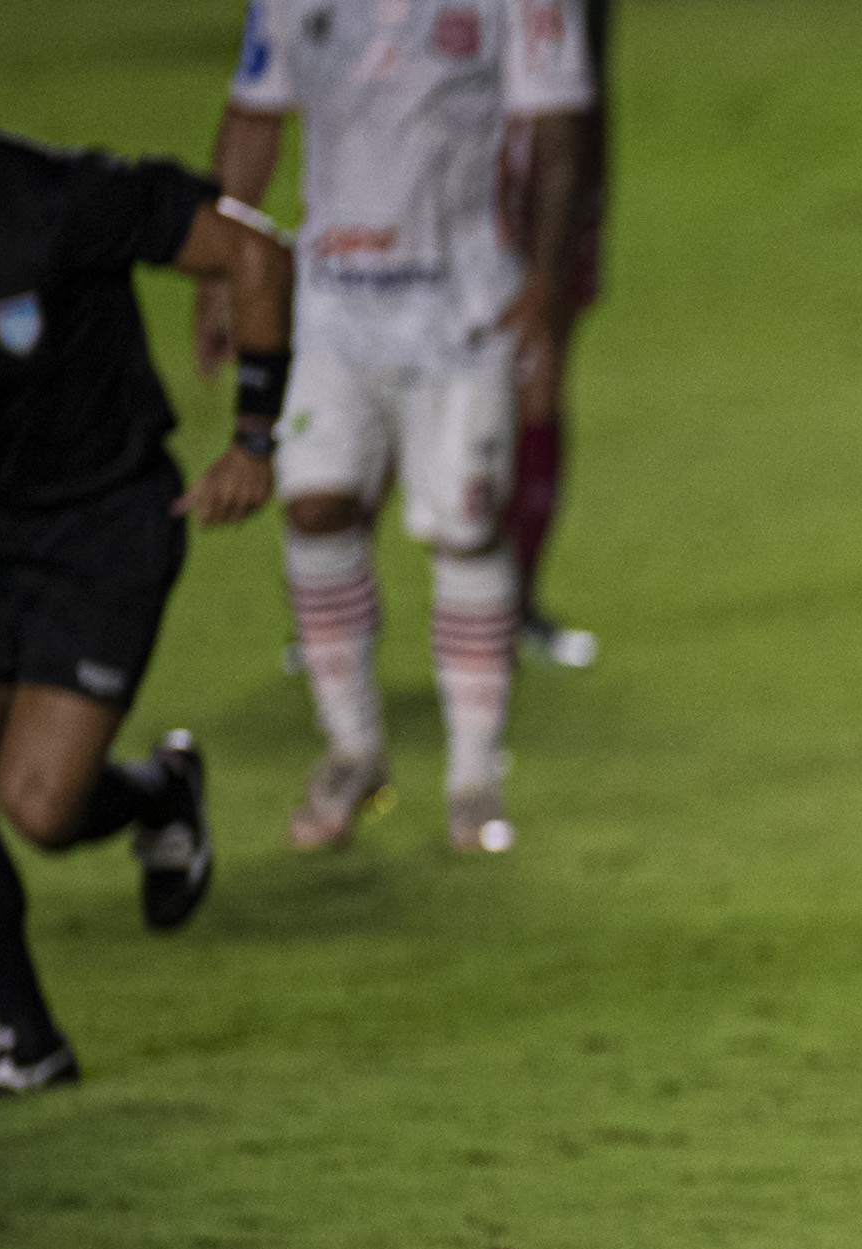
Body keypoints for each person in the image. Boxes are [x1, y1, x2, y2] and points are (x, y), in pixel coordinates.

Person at [0, 0, 293, 1098]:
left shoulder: (57, 202)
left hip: (111, 521)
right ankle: (29, 1039)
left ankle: (161, 796)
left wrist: (255, 437)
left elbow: (257, 254)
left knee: (40, 806)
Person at [201, 0, 594, 856]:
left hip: (462, 309)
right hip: (332, 305)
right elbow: (252, 114)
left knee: (461, 527)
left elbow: (560, 131)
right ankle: (352, 750)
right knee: (313, 506)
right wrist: (221, 271)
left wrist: (547, 277)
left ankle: (475, 778)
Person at [502, 0, 607, 669]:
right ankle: (330, 614)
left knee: (539, 374)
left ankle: (515, 604)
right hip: (405, 201)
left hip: (548, 175)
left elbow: (579, 93)